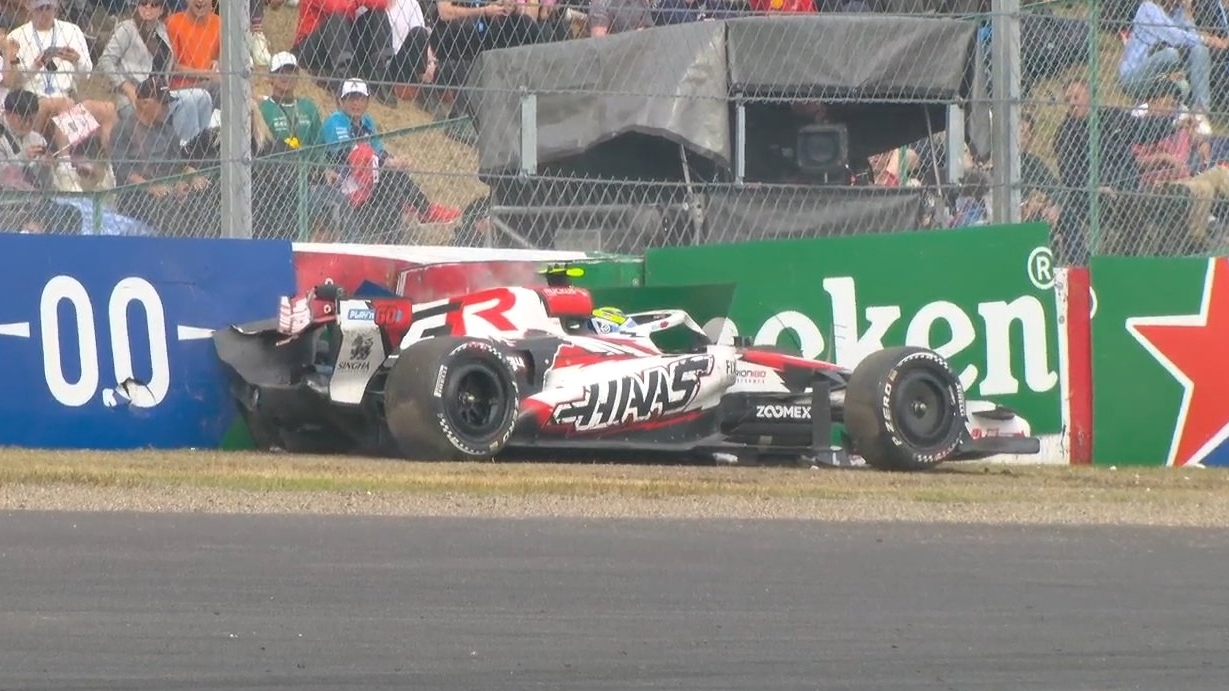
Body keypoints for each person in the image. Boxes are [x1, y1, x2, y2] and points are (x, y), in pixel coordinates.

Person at [321, 77, 460, 240]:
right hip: (344, 184)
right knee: (385, 168)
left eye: (360, 98)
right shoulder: (335, 121)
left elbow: (379, 150)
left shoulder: (367, 121)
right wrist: (386, 162)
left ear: (367, 101)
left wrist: (393, 160)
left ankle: (419, 211)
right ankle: (424, 210)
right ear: (340, 100)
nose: (356, 103)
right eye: (351, 98)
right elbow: (348, 154)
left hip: (367, 182)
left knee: (392, 172)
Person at [108, 75, 219, 235]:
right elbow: (123, 170)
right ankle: (178, 253)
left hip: (170, 189)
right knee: (166, 207)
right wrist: (150, 186)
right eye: (162, 103)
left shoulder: (167, 129)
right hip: (139, 195)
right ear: (144, 103)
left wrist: (189, 175)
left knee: (204, 196)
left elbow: (179, 164)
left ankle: (209, 245)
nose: (167, 107)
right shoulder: (124, 129)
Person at [1118, 0, 1227, 135]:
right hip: (1135, 76)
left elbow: (1192, 40)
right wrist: (1209, 40)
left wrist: (1188, 14)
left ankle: (1199, 113)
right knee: (1171, 54)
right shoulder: (1147, 8)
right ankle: (1148, 105)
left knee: (1200, 50)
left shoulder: (1178, 13)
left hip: (1165, 75)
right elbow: (1174, 37)